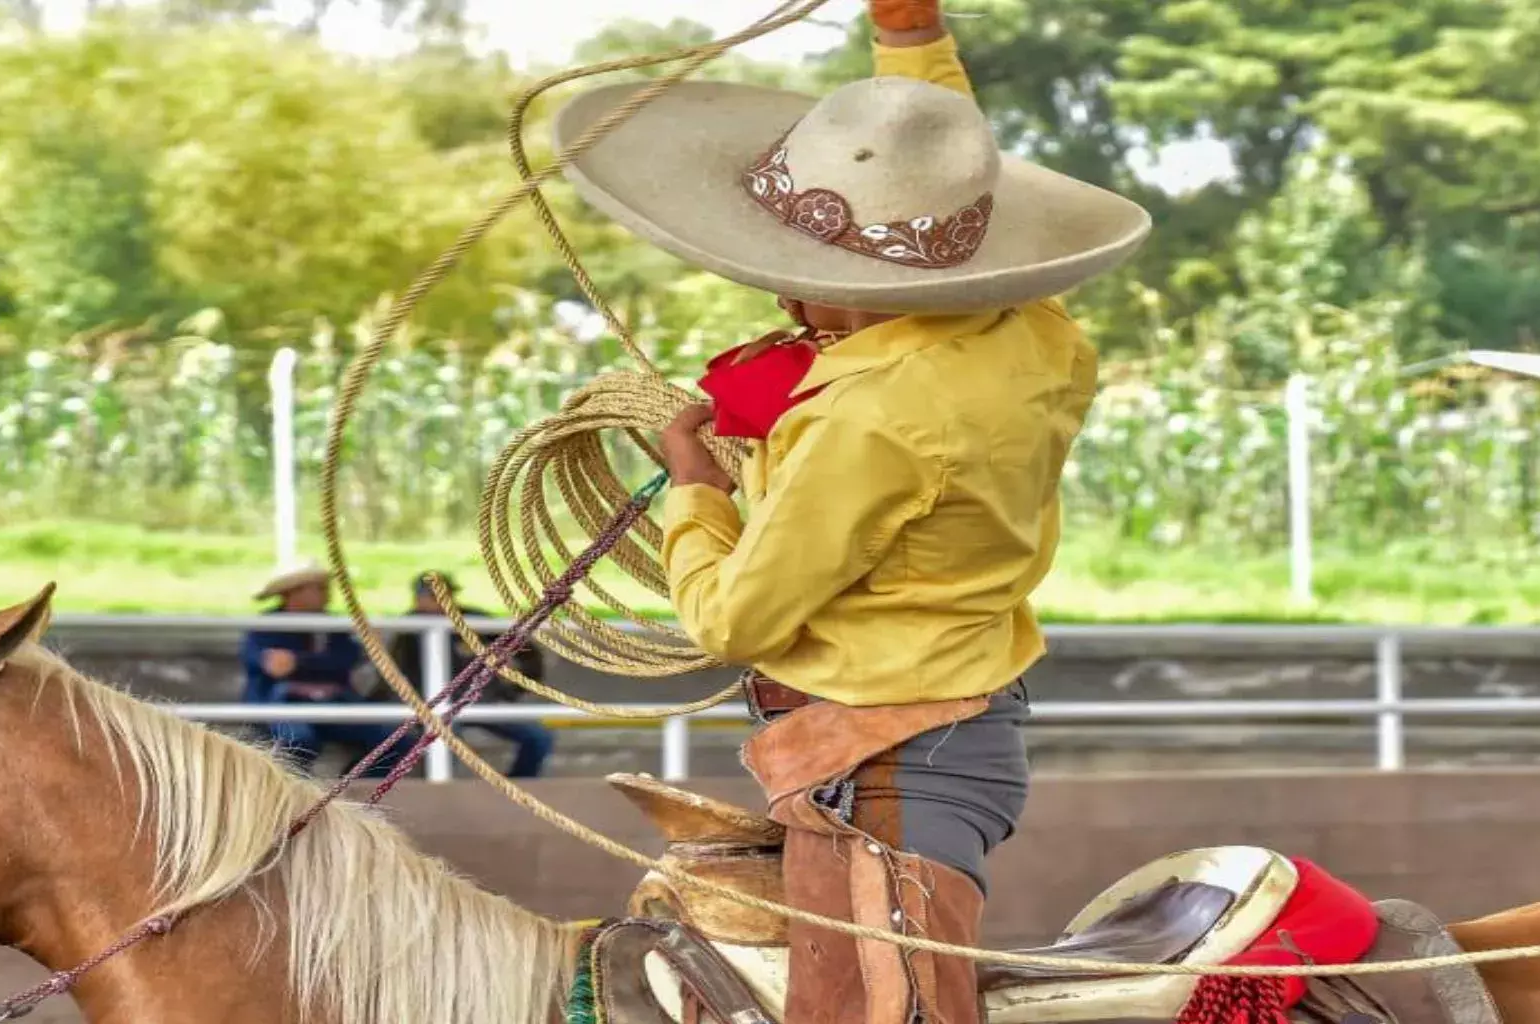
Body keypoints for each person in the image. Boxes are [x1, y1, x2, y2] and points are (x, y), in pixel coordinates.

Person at [554, 3, 1151, 1022]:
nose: (789, 303)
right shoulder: (1027, 322)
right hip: (925, 738)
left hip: (885, 765)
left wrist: (694, 476)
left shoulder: (877, 417)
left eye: (808, 282)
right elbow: (935, 149)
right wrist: (911, 34)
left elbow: (735, 620)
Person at [241, 565, 418, 777]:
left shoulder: (334, 626)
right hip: (285, 702)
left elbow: (345, 659)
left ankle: (357, 788)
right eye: (318, 588)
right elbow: (275, 666)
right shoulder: (265, 626)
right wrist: (318, 663)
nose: (327, 593)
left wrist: (298, 662)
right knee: (298, 741)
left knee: (397, 738)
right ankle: (293, 796)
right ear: (293, 593)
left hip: (335, 701)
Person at [385, 572, 555, 778]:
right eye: (427, 596)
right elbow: (393, 670)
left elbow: (526, 652)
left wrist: (512, 687)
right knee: (445, 740)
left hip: (482, 700)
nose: (433, 602)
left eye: (440, 595)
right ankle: (444, 793)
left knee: (538, 737)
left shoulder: (474, 619)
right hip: (436, 705)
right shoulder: (409, 629)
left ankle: (517, 786)